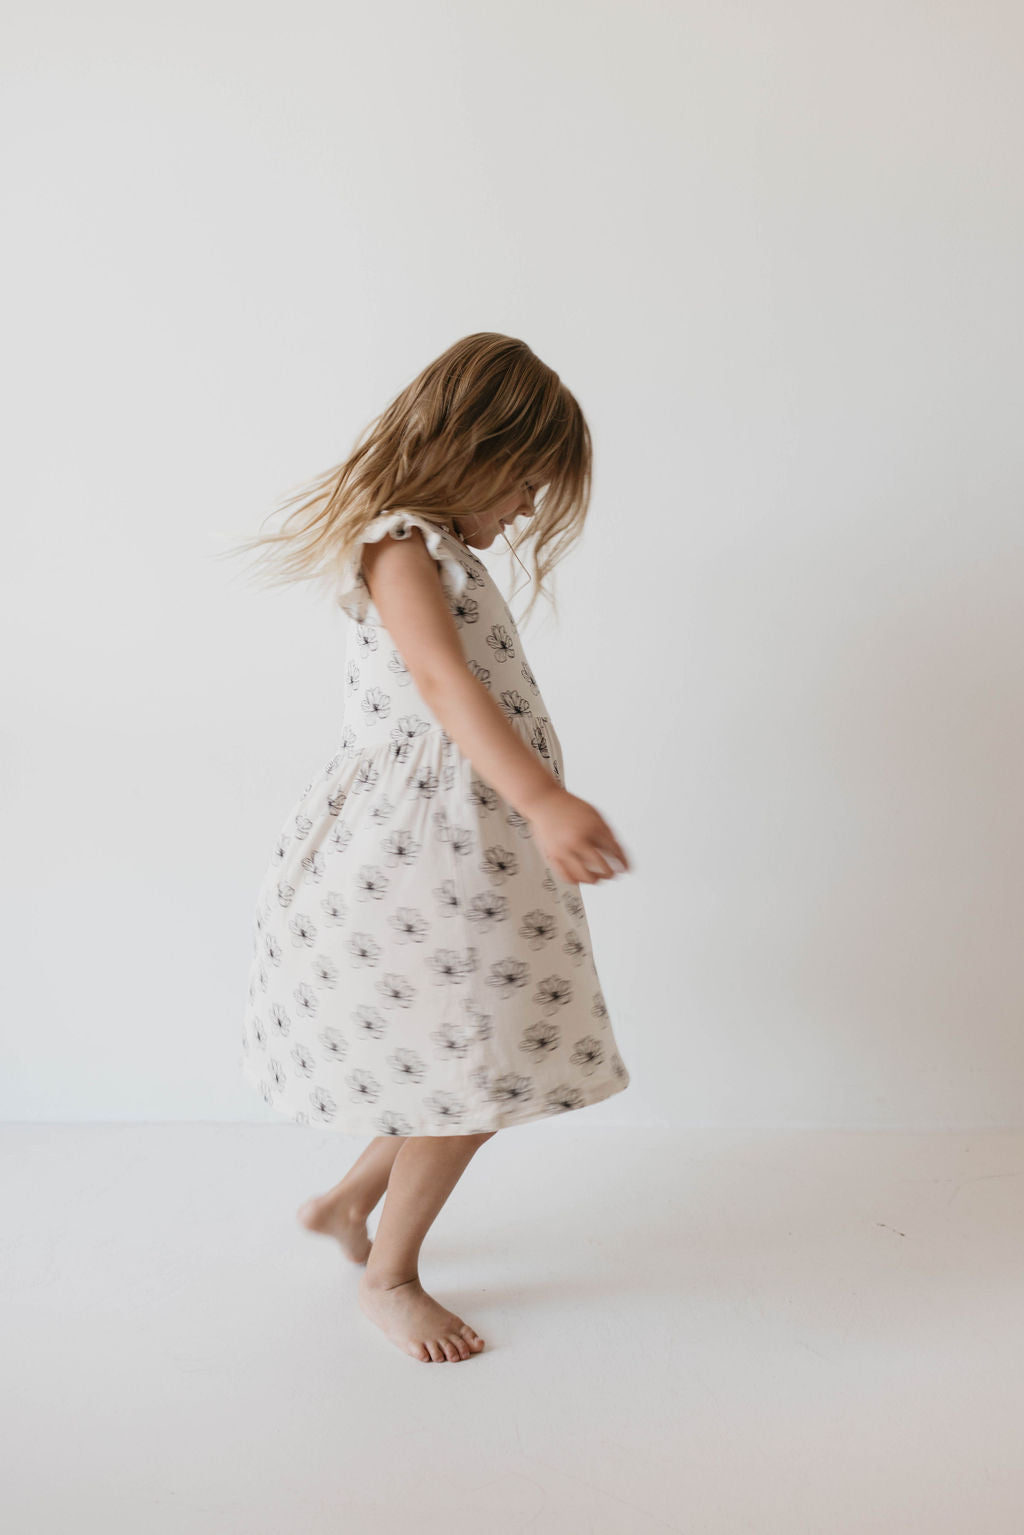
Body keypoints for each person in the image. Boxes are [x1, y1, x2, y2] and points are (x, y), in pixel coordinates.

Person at [226, 332, 634, 1363]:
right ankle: (390, 1274)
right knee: (473, 1060)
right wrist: (543, 798)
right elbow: (446, 688)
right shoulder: (399, 542)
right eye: (526, 481)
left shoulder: (437, 547)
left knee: (461, 1053)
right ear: (470, 447)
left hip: (468, 842)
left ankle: (346, 1201)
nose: (529, 507)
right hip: (422, 850)